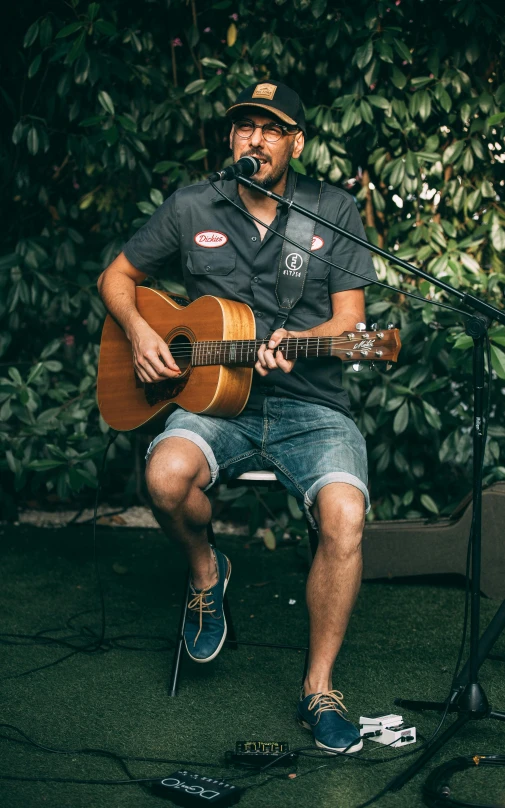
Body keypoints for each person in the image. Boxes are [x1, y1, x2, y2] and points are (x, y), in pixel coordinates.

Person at [97, 79, 377, 754]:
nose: (256, 138)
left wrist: (307, 342)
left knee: (344, 514)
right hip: (211, 405)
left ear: (296, 143)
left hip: (310, 403)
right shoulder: (193, 203)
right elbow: (117, 277)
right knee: (164, 476)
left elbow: (351, 324)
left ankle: (318, 688)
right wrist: (139, 332)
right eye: (245, 126)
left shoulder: (332, 210)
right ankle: (206, 574)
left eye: (272, 128)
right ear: (231, 138)